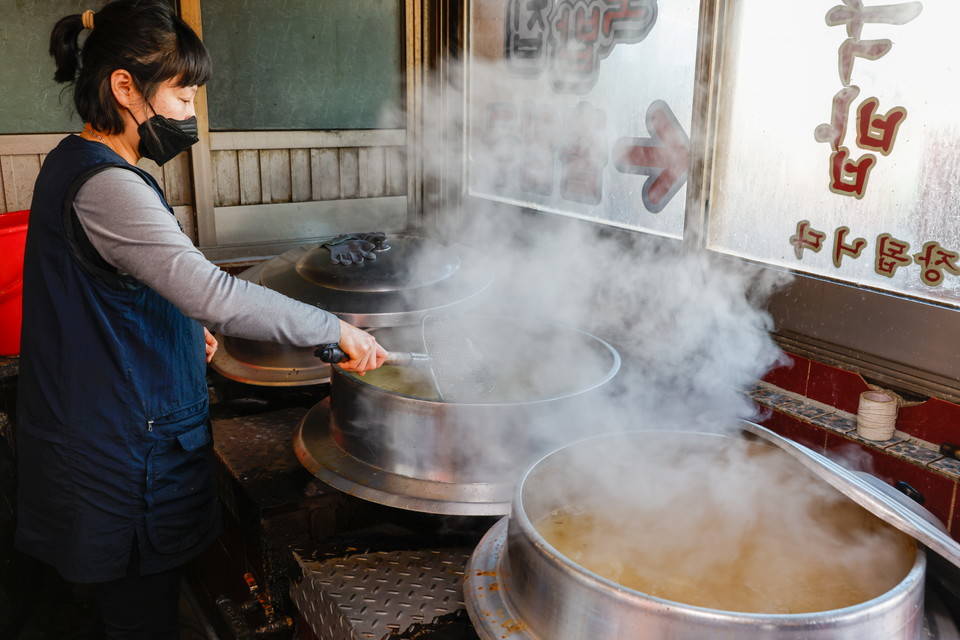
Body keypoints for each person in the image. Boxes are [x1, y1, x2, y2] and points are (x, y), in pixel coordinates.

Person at [15, 2, 387, 638]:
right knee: (141, 619)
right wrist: (337, 329)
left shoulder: (74, 159)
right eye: (183, 97)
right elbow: (213, 292)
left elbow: (112, 288)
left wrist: (179, 327)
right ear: (124, 87)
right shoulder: (109, 185)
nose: (190, 114)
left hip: (106, 430)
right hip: (123, 454)